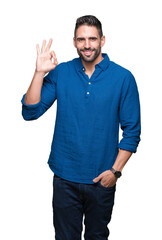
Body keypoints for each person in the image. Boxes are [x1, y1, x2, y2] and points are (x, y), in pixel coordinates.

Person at [21, 15, 141, 240]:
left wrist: (115, 172)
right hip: (65, 178)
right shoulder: (62, 72)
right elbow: (30, 111)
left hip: (101, 179)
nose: (87, 45)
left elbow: (132, 132)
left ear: (102, 40)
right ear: (74, 41)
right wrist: (39, 73)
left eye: (92, 39)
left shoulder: (123, 78)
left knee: (97, 237)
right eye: (81, 39)